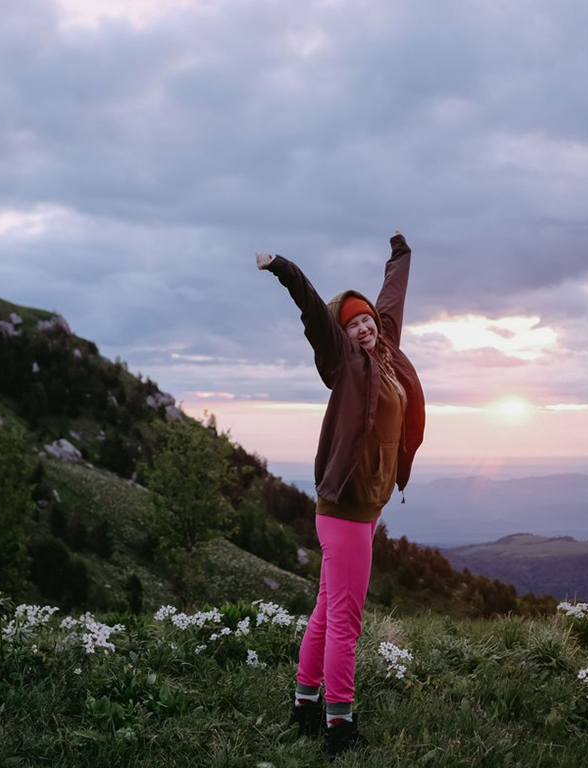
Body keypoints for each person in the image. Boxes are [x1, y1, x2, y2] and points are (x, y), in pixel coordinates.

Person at [255, 231, 425, 757]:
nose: (364, 327)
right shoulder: (344, 363)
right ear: (344, 334)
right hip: (346, 511)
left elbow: (391, 299)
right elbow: (315, 315)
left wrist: (400, 256)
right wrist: (283, 267)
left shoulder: (388, 350)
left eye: (366, 319)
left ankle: (304, 705)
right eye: (353, 324)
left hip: (364, 508)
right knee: (346, 623)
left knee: (328, 609)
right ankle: (339, 726)